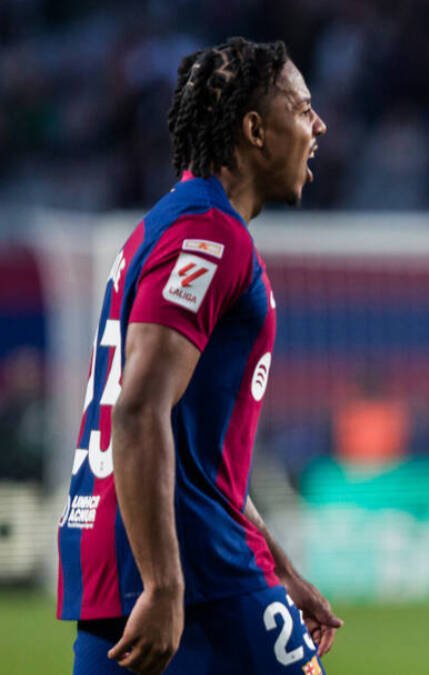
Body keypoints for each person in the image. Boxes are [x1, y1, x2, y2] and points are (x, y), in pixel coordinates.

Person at [56, 38, 340, 675]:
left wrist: (280, 568)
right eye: (301, 108)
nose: (318, 126)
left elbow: (194, 448)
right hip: (194, 572)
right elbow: (138, 410)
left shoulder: (163, 228)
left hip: (127, 565)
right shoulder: (208, 237)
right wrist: (164, 585)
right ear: (254, 130)